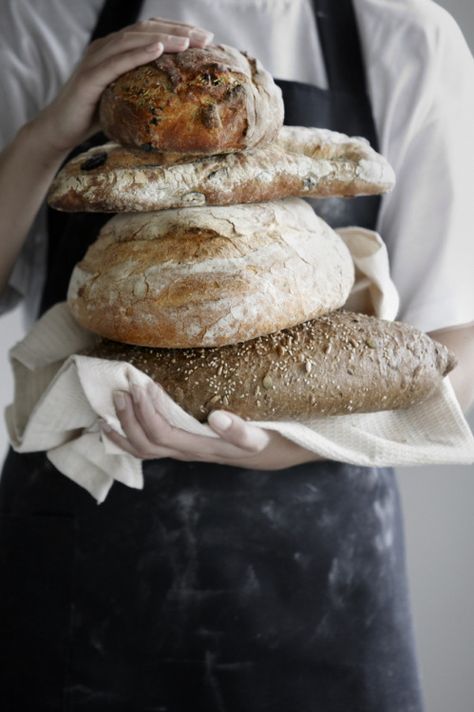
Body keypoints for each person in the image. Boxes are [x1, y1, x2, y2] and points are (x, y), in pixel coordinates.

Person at [0, 1, 473, 710]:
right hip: (81, 548)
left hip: (319, 568)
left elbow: (455, 353)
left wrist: (294, 442)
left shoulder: (404, 34)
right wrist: (46, 137)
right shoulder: (42, 22)